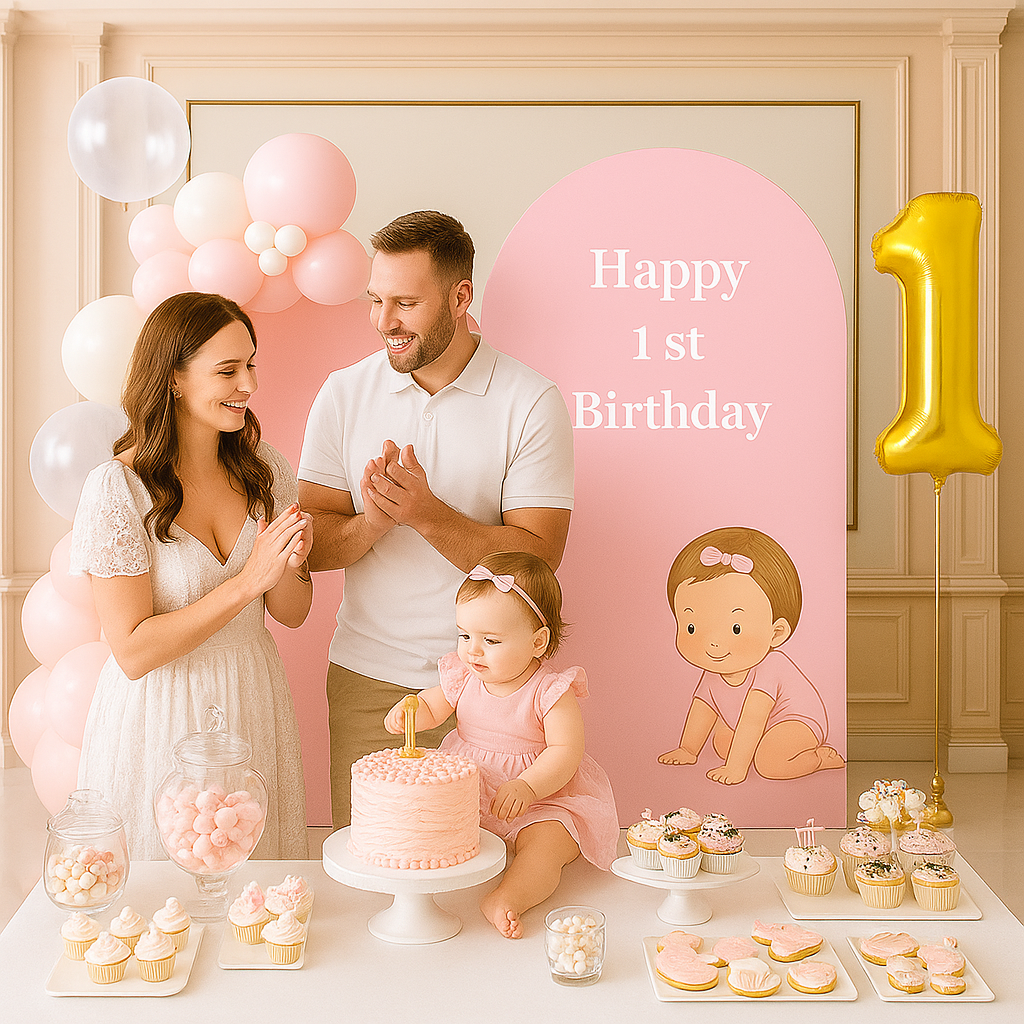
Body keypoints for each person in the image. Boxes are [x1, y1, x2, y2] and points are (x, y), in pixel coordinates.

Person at [298, 211, 574, 826]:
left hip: (503, 687)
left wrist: (425, 515)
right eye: (375, 301)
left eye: (405, 303)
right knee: (378, 864)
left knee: (484, 871)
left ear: (460, 298)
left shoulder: (529, 400)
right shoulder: (342, 395)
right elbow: (311, 546)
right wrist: (374, 521)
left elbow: (537, 558)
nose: (384, 322)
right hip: (372, 680)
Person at [69, 292, 312, 860]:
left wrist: (286, 564)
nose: (248, 385)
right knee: (165, 909)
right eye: (227, 370)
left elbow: (292, 611)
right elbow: (131, 651)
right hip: (160, 713)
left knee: (256, 899)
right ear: (173, 378)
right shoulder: (118, 488)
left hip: (251, 694)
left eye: (251, 365)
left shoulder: (266, 469)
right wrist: (247, 582)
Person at [384, 551, 619, 938]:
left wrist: (529, 786)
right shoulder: (463, 676)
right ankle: (424, 892)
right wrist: (411, 709)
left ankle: (509, 896)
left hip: (541, 798)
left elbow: (565, 752)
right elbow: (432, 705)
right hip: (471, 791)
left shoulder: (551, 692)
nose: (472, 650)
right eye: (464, 635)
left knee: (547, 847)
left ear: (537, 641)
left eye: (490, 640)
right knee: (434, 824)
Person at [657, 526, 845, 784]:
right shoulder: (716, 668)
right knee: (722, 742)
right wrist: (688, 749)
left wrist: (736, 768)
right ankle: (754, 752)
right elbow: (703, 706)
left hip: (796, 722)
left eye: (736, 628)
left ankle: (819, 758)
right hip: (760, 726)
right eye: (692, 627)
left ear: (776, 633)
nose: (712, 642)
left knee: (770, 764)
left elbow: (753, 720)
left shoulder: (770, 668)